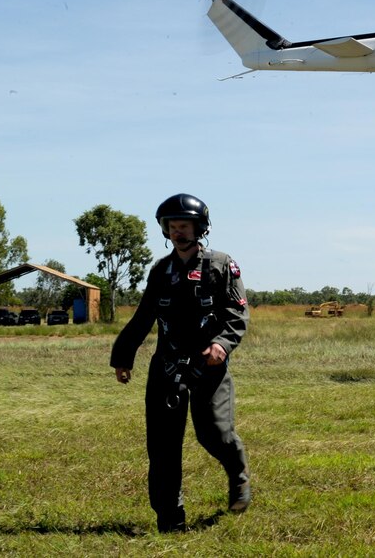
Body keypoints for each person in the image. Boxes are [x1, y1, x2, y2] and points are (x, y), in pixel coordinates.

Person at [111, 193, 251, 532]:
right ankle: (170, 520)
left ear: (199, 228)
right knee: (162, 446)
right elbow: (144, 316)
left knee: (214, 434)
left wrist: (222, 345)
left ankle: (238, 475)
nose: (178, 232)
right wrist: (123, 356)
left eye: (184, 226)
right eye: (172, 227)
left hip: (209, 365)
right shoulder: (161, 270)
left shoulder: (221, 265)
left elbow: (237, 313)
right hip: (167, 367)